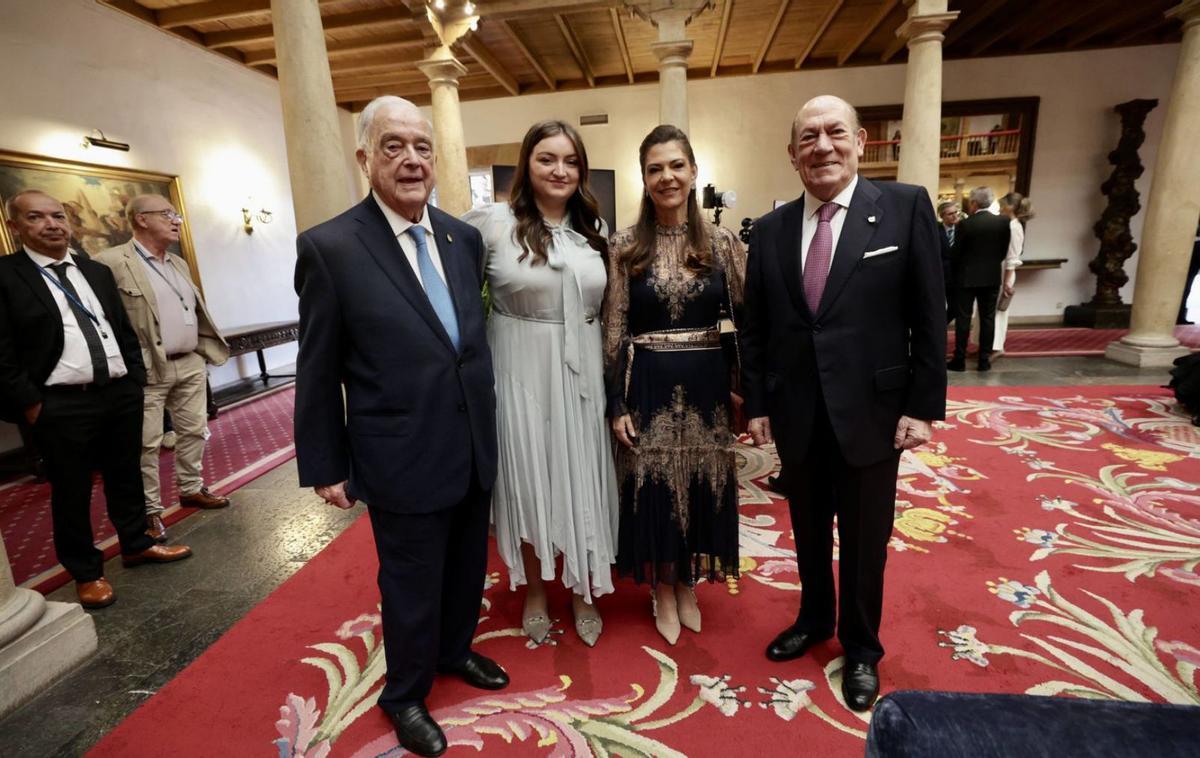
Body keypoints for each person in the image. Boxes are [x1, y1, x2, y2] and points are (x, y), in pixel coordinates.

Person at [293, 95, 507, 758]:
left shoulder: (463, 238)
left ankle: (454, 652)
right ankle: (405, 694)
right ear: (365, 157)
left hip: (470, 443)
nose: (411, 160)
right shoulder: (331, 247)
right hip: (399, 453)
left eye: (421, 147)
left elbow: (464, 345)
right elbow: (317, 368)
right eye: (393, 146)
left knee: (467, 567)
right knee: (411, 583)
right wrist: (325, 463)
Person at [740, 96, 946, 711]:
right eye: (808, 137)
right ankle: (813, 619)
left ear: (859, 141)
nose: (822, 146)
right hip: (797, 412)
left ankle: (861, 647)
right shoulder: (770, 230)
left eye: (834, 133)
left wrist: (922, 408)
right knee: (807, 529)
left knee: (863, 539)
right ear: (792, 154)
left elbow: (929, 315)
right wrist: (757, 403)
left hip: (874, 413)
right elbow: (757, 328)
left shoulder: (905, 207)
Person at [462, 120, 618, 647]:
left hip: (582, 371)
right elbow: (454, 294)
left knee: (581, 475)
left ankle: (583, 589)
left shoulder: (593, 229)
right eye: (547, 158)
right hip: (518, 367)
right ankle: (534, 589)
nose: (559, 170)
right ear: (526, 164)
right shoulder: (492, 223)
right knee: (529, 478)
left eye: (571, 161)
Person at [0, 190, 192, 609]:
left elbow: (122, 329)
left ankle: (137, 544)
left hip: (118, 393)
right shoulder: (7, 276)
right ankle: (87, 573)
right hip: (60, 403)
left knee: (126, 476)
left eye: (58, 215)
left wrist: (134, 381)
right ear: (15, 227)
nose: (51, 224)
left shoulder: (95, 271)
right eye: (36, 217)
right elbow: (2, 353)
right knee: (72, 490)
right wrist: (32, 404)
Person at [603, 124, 745, 646]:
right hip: (649, 383)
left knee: (700, 482)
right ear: (644, 178)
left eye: (676, 166)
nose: (667, 177)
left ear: (693, 171)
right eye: (655, 168)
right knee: (657, 486)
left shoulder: (723, 244)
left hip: (707, 385)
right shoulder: (623, 246)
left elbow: (747, 320)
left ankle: (687, 581)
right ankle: (662, 587)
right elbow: (615, 328)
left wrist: (747, 390)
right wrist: (615, 402)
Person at [95, 195, 232, 544]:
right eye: (168, 214)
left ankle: (191, 488)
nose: (176, 221)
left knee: (194, 430)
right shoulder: (110, 262)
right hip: (147, 367)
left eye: (176, 215)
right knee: (147, 443)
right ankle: (150, 511)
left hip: (189, 359)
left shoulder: (177, 262)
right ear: (141, 219)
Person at [948, 186, 1010, 372]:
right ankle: (984, 360)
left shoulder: (966, 224)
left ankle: (959, 359)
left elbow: (956, 253)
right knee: (988, 318)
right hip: (991, 276)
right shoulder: (1002, 222)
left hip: (966, 277)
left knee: (963, 319)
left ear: (974, 203)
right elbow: (1003, 251)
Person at [991, 192, 1034, 354]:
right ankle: (985, 344)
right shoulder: (1007, 224)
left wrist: (1007, 283)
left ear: (1010, 207)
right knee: (989, 311)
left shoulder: (1014, 227)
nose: (1000, 208)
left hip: (1005, 273)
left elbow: (1012, 257)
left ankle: (996, 346)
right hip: (998, 270)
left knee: (999, 311)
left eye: (1002, 205)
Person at [938, 200, 961, 325]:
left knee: (955, 308)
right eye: (950, 214)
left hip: (957, 276)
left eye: (956, 212)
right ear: (942, 216)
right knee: (936, 307)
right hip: (940, 275)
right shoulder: (935, 230)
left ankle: (940, 326)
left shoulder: (962, 229)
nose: (954, 216)